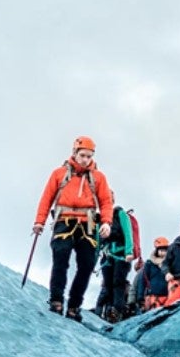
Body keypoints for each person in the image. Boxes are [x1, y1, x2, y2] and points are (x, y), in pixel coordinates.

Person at [33, 136, 114, 322]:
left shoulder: (99, 178)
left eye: (89, 156)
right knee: (60, 258)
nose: (86, 159)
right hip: (64, 221)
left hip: (88, 224)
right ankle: (56, 301)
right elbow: (46, 198)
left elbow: (106, 202)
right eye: (83, 155)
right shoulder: (58, 174)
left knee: (86, 265)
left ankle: (74, 306)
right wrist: (39, 222)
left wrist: (107, 222)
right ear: (74, 153)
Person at [93, 198, 137, 322]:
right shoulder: (99, 219)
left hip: (122, 255)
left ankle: (117, 311)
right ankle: (109, 312)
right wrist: (93, 262)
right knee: (108, 284)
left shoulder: (120, 214)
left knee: (118, 282)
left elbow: (128, 233)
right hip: (108, 256)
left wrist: (129, 252)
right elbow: (97, 243)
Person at [137, 236, 171, 311]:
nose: (163, 253)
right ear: (157, 251)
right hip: (154, 298)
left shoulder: (170, 264)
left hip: (168, 297)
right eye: (161, 250)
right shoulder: (149, 264)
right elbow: (142, 281)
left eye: (165, 250)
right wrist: (140, 297)